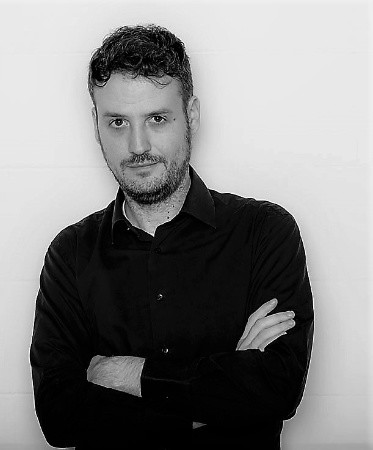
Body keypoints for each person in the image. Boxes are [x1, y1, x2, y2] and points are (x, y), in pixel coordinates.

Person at [30, 24, 314, 450]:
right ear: (96, 125)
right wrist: (221, 397)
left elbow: (276, 388)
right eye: (118, 122)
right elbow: (60, 417)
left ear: (191, 116)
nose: (137, 145)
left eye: (157, 119)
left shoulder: (264, 232)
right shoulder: (69, 254)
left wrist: (127, 375)